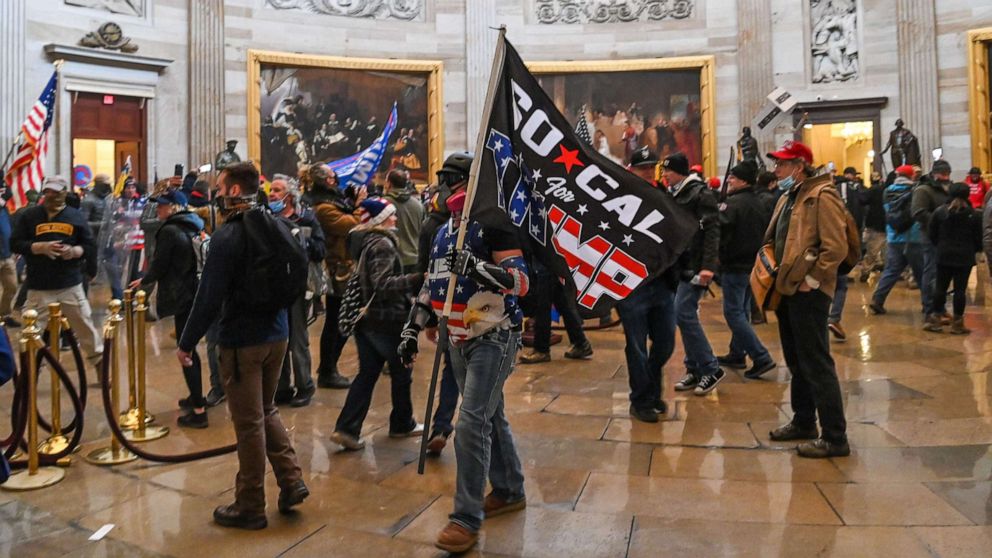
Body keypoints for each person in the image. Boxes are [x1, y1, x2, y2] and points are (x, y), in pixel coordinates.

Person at [397, 183, 529, 554]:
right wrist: (411, 326)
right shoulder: (442, 232)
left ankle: (466, 518)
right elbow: (431, 284)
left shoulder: (495, 224)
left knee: (471, 423)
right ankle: (509, 488)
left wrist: (477, 267)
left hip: (494, 335)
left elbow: (520, 282)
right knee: (491, 415)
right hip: (456, 337)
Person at [177, 162, 308, 530]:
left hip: (241, 342)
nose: (217, 193)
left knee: (248, 423)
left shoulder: (227, 236)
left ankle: (250, 503)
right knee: (266, 410)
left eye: (221, 187)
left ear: (234, 191)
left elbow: (209, 296)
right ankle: (292, 479)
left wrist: (187, 342)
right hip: (278, 334)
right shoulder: (279, 225)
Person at [762, 141, 849, 459]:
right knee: (797, 360)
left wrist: (812, 280)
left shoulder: (822, 196)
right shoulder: (789, 196)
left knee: (816, 362)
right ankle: (803, 421)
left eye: (782, 165)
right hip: (787, 287)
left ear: (799, 166)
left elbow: (835, 247)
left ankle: (835, 437)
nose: (776, 170)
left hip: (808, 292)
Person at [329, 198, 424, 449]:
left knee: (367, 374)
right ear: (380, 219)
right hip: (387, 319)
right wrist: (416, 279)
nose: (395, 219)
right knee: (402, 372)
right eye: (390, 215)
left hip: (367, 321)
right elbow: (383, 285)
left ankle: (347, 429)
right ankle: (402, 424)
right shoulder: (382, 244)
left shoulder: (365, 241)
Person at [130, 190, 208, 427]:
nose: (159, 209)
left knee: (185, 352)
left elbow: (160, 263)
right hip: (195, 291)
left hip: (181, 294)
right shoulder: (193, 224)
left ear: (175, 207)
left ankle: (199, 411)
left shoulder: (170, 231)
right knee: (190, 349)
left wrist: (144, 280)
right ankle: (197, 397)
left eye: (163, 206)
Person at [10, 176, 102, 365]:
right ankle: (31, 373)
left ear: (64, 192)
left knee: (86, 329)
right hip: (39, 286)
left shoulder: (75, 216)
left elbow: (90, 245)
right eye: (48, 191)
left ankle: (100, 365)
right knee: (31, 333)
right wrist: (38, 247)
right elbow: (15, 243)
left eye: (56, 191)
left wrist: (75, 252)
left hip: (69, 284)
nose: (51, 195)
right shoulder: (30, 216)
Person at [618, 146, 678, 422]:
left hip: (662, 282)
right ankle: (641, 400)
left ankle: (651, 389)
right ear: (631, 170)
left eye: (650, 168)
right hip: (632, 285)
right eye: (642, 168)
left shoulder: (664, 197)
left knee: (665, 342)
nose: (647, 173)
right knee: (637, 345)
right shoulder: (618, 199)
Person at [419, 153, 471, 455]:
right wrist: (428, 317)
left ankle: (448, 427)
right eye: (445, 180)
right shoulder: (436, 227)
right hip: (450, 314)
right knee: (452, 371)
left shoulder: (485, 219)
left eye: (453, 179)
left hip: (483, 318)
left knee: (469, 381)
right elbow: (430, 274)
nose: (448, 187)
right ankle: (441, 427)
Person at [663, 152, 725, 396]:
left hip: (697, 264)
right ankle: (694, 367)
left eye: (669, 170)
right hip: (680, 265)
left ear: (680, 171)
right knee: (685, 315)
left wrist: (708, 265)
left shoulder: (700, 193)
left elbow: (712, 230)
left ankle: (711, 367)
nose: (665, 174)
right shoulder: (674, 194)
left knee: (684, 313)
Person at [301, 163, 365, 389]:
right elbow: (352, 225)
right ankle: (328, 369)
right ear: (327, 180)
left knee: (341, 318)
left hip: (344, 265)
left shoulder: (330, 202)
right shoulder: (322, 208)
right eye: (333, 176)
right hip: (338, 269)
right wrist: (357, 206)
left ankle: (329, 366)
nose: (337, 178)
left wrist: (349, 202)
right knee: (337, 320)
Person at [716, 161, 776, 379]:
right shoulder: (758, 201)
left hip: (735, 264)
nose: (729, 180)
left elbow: (721, 232)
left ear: (742, 180)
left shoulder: (733, 204)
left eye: (732, 177)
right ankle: (737, 353)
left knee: (733, 313)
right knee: (742, 311)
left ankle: (761, 357)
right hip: (753, 264)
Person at [269, 178, 324, 408]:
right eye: (270, 189)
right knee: (279, 338)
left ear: (289, 195)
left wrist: (299, 242)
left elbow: (320, 250)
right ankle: (281, 387)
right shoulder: (268, 218)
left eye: (277, 190)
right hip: (275, 287)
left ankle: (305, 385)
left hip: (299, 287)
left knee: (298, 340)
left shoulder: (307, 218)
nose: (271, 193)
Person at [923, 183, 982, 334]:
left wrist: (941, 245)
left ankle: (936, 320)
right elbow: (978, 238)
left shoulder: (940, 212)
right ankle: (957, 323)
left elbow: (932, 234)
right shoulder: (973, 215)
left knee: (940, 288)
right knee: (960, 290)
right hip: (965, 257)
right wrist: (973, 250)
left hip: (943, 255)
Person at [869, 165, 927, 315]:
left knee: (891, 270)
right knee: (921, 273)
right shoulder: (916, 190)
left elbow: (888, 211)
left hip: (894, 236)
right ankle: (928, 306)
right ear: (911, 176)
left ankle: (877, 300)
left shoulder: (887, 191)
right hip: (914, 237)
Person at [826, 167, 865, 341]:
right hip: (838, 252)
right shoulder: (841, 207)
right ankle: (833, 318)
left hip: (819, 254)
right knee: (840, 286)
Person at [913, 160, 952, 324]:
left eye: (947, 174)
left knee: (942, 274)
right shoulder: (923, 190)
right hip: (930, 236)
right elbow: (918, 212)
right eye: (942, 174)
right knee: (931, 273)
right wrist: (940, 221)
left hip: (946, 237)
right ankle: (929, 308)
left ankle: (940, 307)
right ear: (934, 173)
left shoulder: (948, 188)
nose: (945, 177)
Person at [382, 169, 423, 274]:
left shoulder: (384, 204)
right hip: (415, 259)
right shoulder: (418, 205)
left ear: (389, 183)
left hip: (393, 260)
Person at [858, 172, 888, 282]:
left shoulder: (872, 190)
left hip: (875, 224)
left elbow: (862, 200)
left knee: (872, 250)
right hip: (888, 224)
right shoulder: (887, 189)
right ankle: (886, 268)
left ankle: (866, 270)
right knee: (887, 250)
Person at [0, 183, 19, 327]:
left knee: (12, 286)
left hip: (7, 256)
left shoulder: (5, 209)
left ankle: (5, 315)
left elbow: (9, 230)